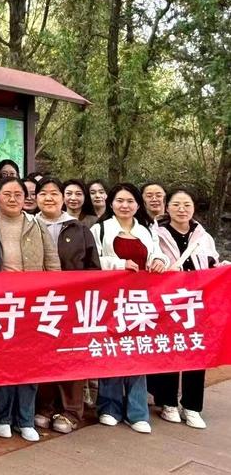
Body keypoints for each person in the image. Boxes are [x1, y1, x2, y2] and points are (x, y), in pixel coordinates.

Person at [90, 183, 167, 434]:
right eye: (120, 200)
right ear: (111, 203)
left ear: (137, 204)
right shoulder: (100, 229)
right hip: (111, 299)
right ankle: (109, 407)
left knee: (137, 352)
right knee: (112, 350)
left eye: (130, 201)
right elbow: (92, 260)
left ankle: (137, 411)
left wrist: (159, 260)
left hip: (141, 300)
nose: (125, 205)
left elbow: (159, 255)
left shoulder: (145, 230)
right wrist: (119, 263)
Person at [0, 176, 61, 442]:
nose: (13, 199)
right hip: (0, 303)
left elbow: (52, 261)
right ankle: (2, 418)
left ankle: (25, 418)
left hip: (33, 302)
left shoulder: (36, 223)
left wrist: (53, 293)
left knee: (30, 361)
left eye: (18, 194)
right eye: (7, 194)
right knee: (2, 361)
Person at [33, 177, 100, 435]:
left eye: (54, 193)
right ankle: (46, 406)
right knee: (43, 354)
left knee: (71, 354)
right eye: (43, 193)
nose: (49, 198)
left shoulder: (79, 229)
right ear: (36, 198)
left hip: (73, 303)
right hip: (39, 304)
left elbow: (93, 268)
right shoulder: (30, 224)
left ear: (63, 198)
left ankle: (71, 410)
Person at [150, 189, 221, 430]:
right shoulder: (156, 234)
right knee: (169, 349)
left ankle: (192, 406)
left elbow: (212, 262)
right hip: (169, 302)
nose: (182, 209)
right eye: (176, 204)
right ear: (167, 208)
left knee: (196, 351)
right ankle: (168, 402)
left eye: (187, 204)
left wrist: (221, 268)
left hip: (198, 303)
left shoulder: (203, 236)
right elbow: (153, 258)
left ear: (193, 208)